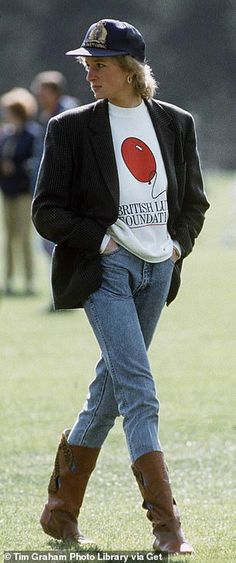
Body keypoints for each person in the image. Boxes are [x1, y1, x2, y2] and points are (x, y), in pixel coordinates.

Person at [32, 19, 210, 554]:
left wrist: (176, 245)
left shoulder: (176, 124)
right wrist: (101, 241)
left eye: (100, 64)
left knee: (109, 392)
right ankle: (167, 527)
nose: (90, 72)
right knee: (138, 390)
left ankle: (60, 512)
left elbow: (194, 202)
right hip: (106, 272)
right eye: (87, 63)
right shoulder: (70, 128)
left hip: (159, 271)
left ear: (131, 71)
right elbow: (46, 212)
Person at [30, 71, 79, 309]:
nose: (38, 95)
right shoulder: (48, 115)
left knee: (54, 244)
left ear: (54, 91)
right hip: (50, 191)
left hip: (64, 194)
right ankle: (63, 293)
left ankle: (66, 294)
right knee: (49, 244)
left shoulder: (67, 113)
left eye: (42, 90)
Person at [0, 87, 40, 295]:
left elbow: (34, 161)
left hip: (24, 192)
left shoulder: (31, 134)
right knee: (9, 237)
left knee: (25, 237)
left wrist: (16, 167)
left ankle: (29, 281)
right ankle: (8, 280)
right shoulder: (5, 134)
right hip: (8, 192)